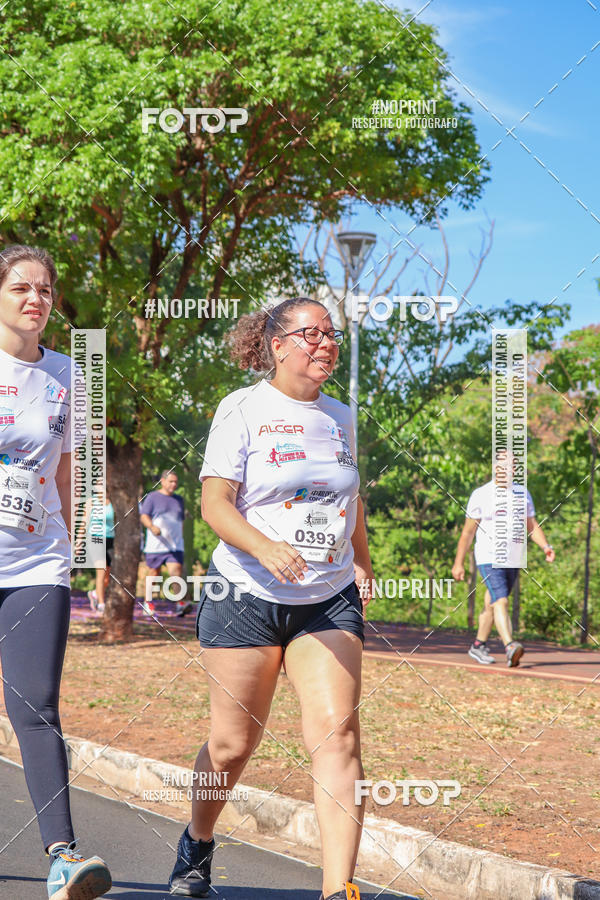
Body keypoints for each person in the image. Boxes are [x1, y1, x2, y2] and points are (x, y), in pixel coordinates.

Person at [168, 297, 374, 900]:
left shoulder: (342, 416)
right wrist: (263, 547)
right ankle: (198, 840)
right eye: (311, 333)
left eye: (331, 334)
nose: (325, 343)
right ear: (276, 344)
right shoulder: (243, 408)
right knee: (233, 744)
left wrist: (362, 558)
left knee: (339, 736)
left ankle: (340, 888)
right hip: (246, 592)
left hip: (327, 597)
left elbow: (348, 497)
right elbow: (214, 504)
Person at [0, 244, 112, 898]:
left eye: (45, 290)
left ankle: (63, 858)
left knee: (36, 708)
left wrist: (73, 544)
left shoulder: (71, 374)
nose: (36, 299)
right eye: (21, 288)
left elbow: (72, 468)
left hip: (36, 562)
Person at [452, 452, 555, 667]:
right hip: (489, 557)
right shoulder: (481, 494)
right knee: (502, 601)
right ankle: (509, 646)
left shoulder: (522, 493)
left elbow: (531, 525)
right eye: (504, 465)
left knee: (492, 602)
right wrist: (458, 562)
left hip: (513, 558)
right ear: (495, 467)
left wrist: (545, 546)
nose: (508, 469)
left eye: (512, 466)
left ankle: (478, 645)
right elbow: (468, 533)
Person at [139, 470, 188, 616]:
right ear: (162, 481)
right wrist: (152, 527)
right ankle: (148, 604)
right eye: (171, 481)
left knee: (176, 572)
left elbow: (181, 521)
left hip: (175, 545)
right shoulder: (153, 497)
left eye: (175, 482)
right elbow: (144, 516)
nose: (174, 484)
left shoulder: (179, 500)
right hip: (156, 546)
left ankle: (180, 604)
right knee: (154, 573)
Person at [86, 493, 115, 613]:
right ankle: (101, 605)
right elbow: (85, 523)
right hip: (95, 538)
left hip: (110, 539)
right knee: (101, 571)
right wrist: (79, 543)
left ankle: (94, 594)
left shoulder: (114, 502)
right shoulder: (91, 501)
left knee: (107, 577)